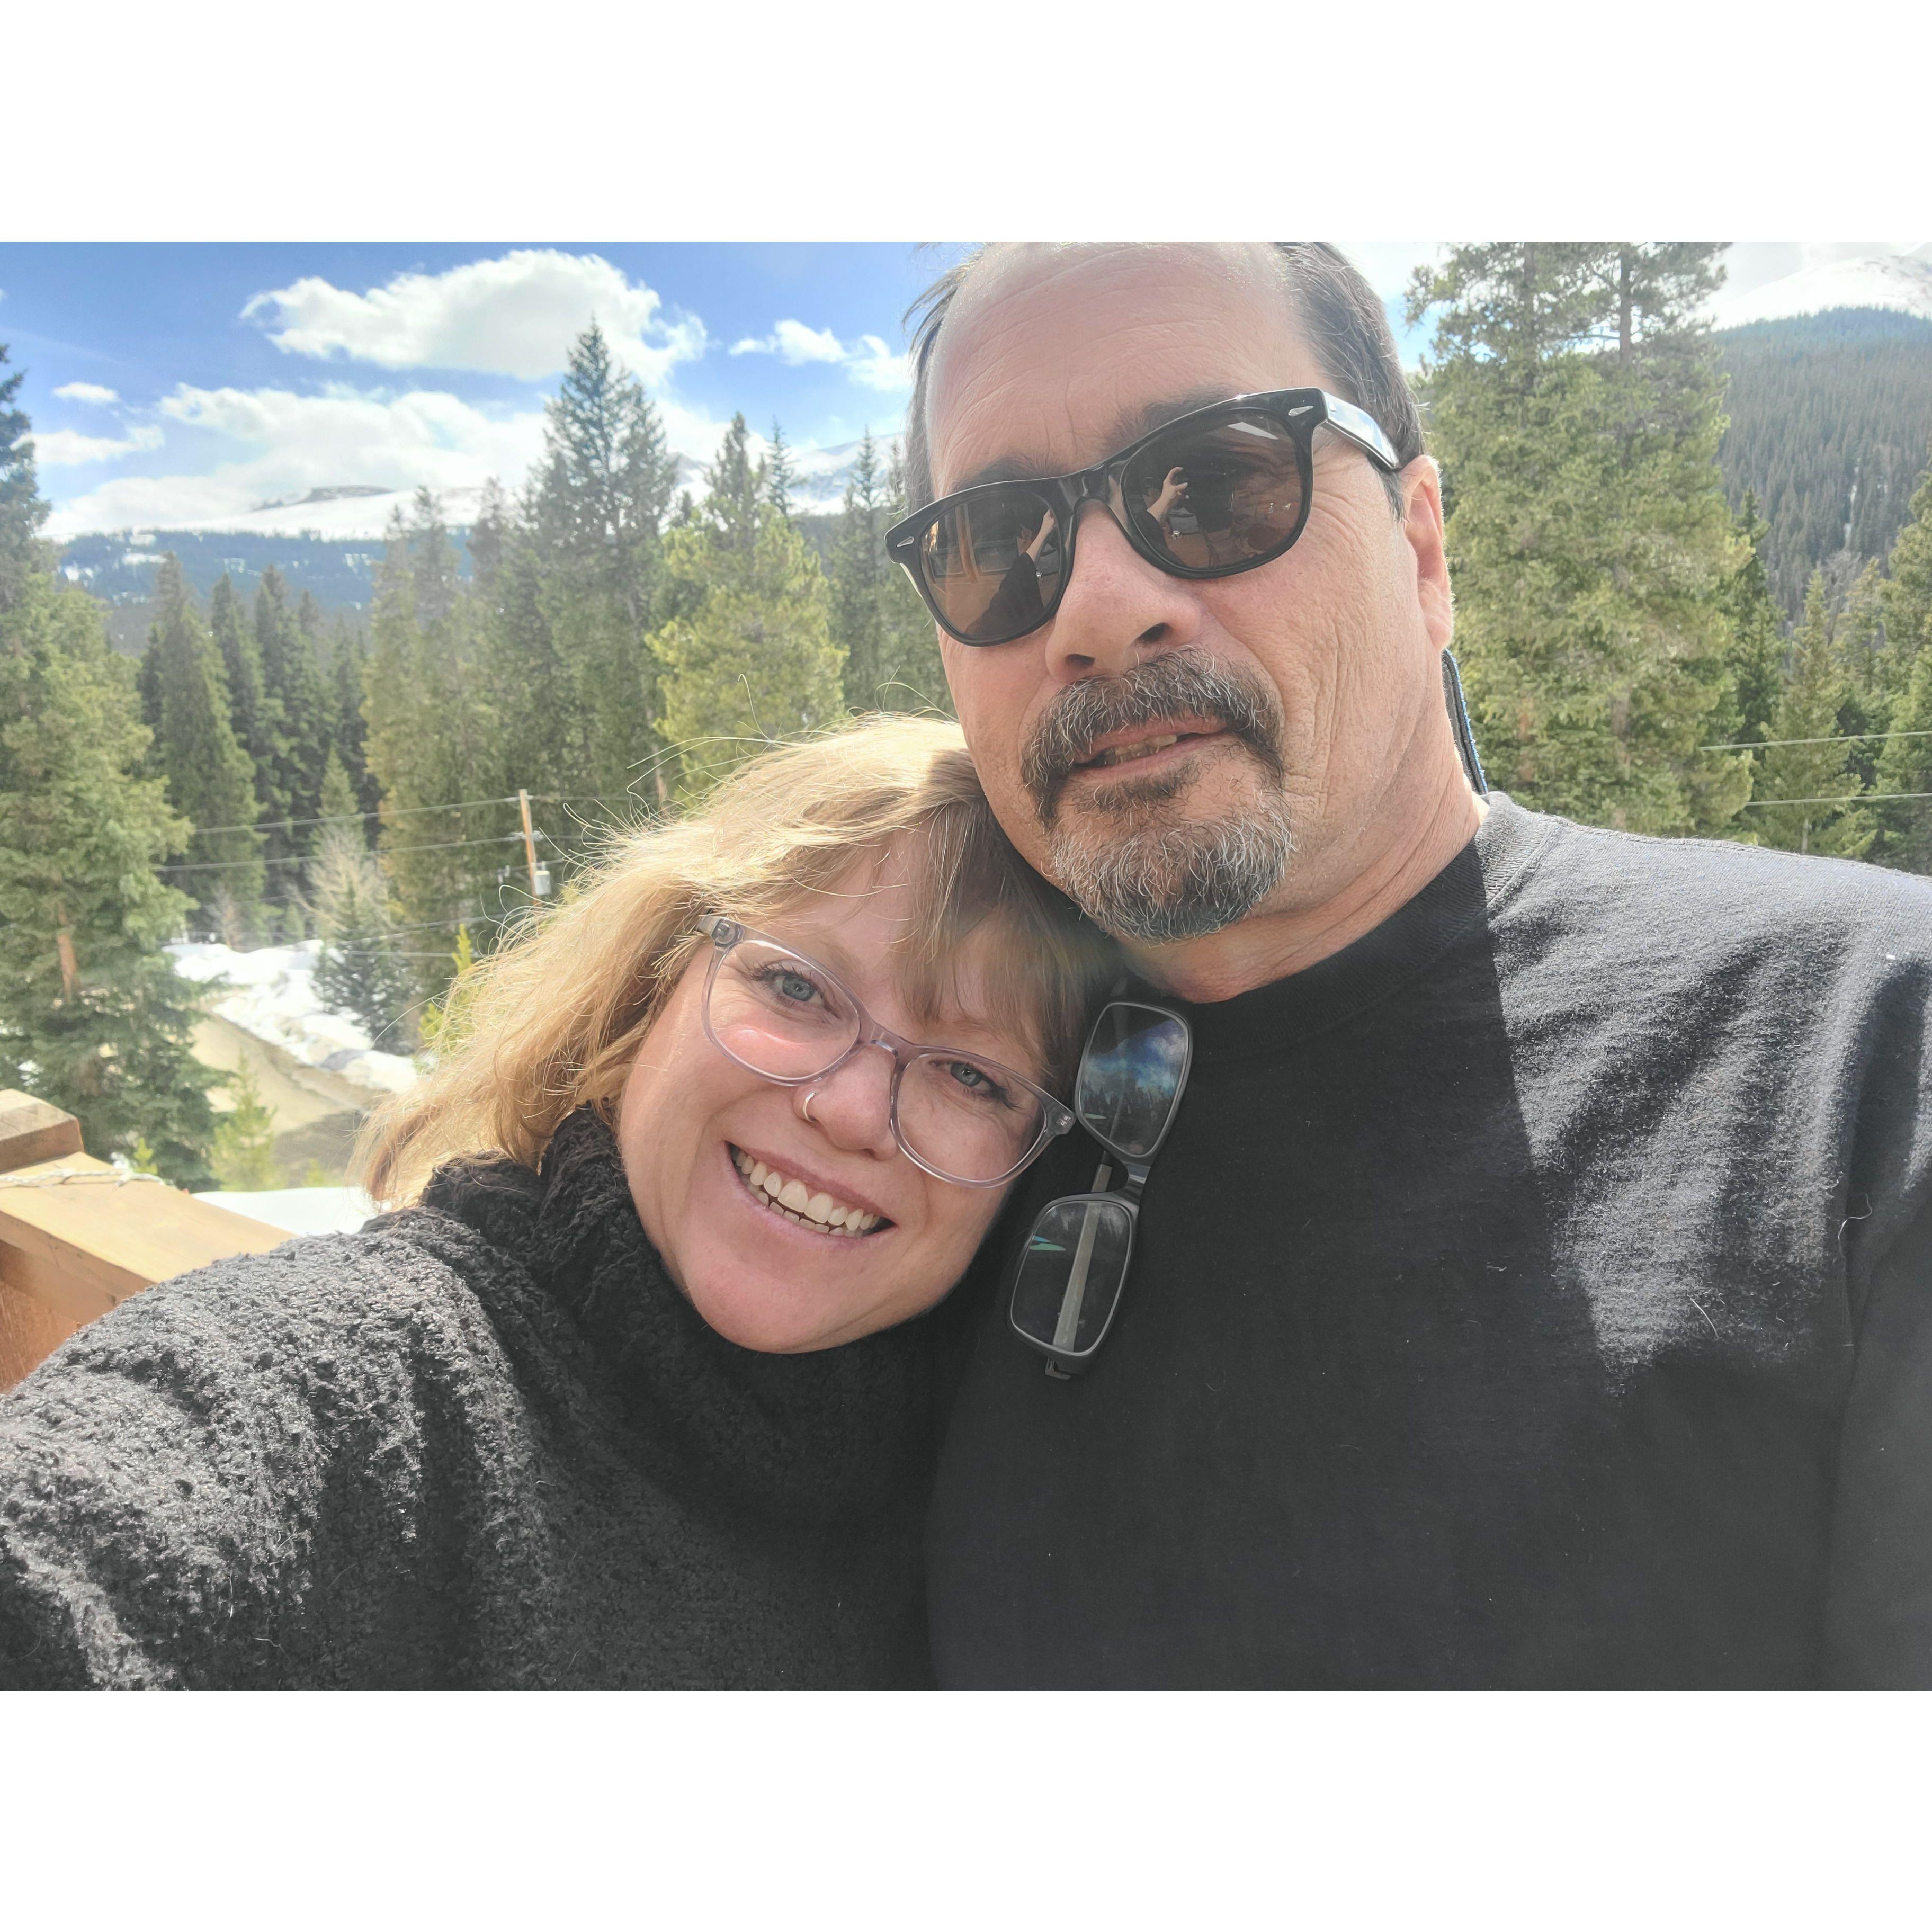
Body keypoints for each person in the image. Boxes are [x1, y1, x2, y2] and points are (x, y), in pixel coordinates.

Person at [896, 241, 1932, 1688]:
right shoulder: (898, 1131)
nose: (1094, 612)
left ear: (1423, 550)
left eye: (1214, 484)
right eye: (998, 541)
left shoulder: (1868, 1062)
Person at [0, 718, 1107, 1689]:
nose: (851, 1108)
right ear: (652, 987)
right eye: (795, 986)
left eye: (973, 1078)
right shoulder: (372, 1384)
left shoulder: (994, 1492)